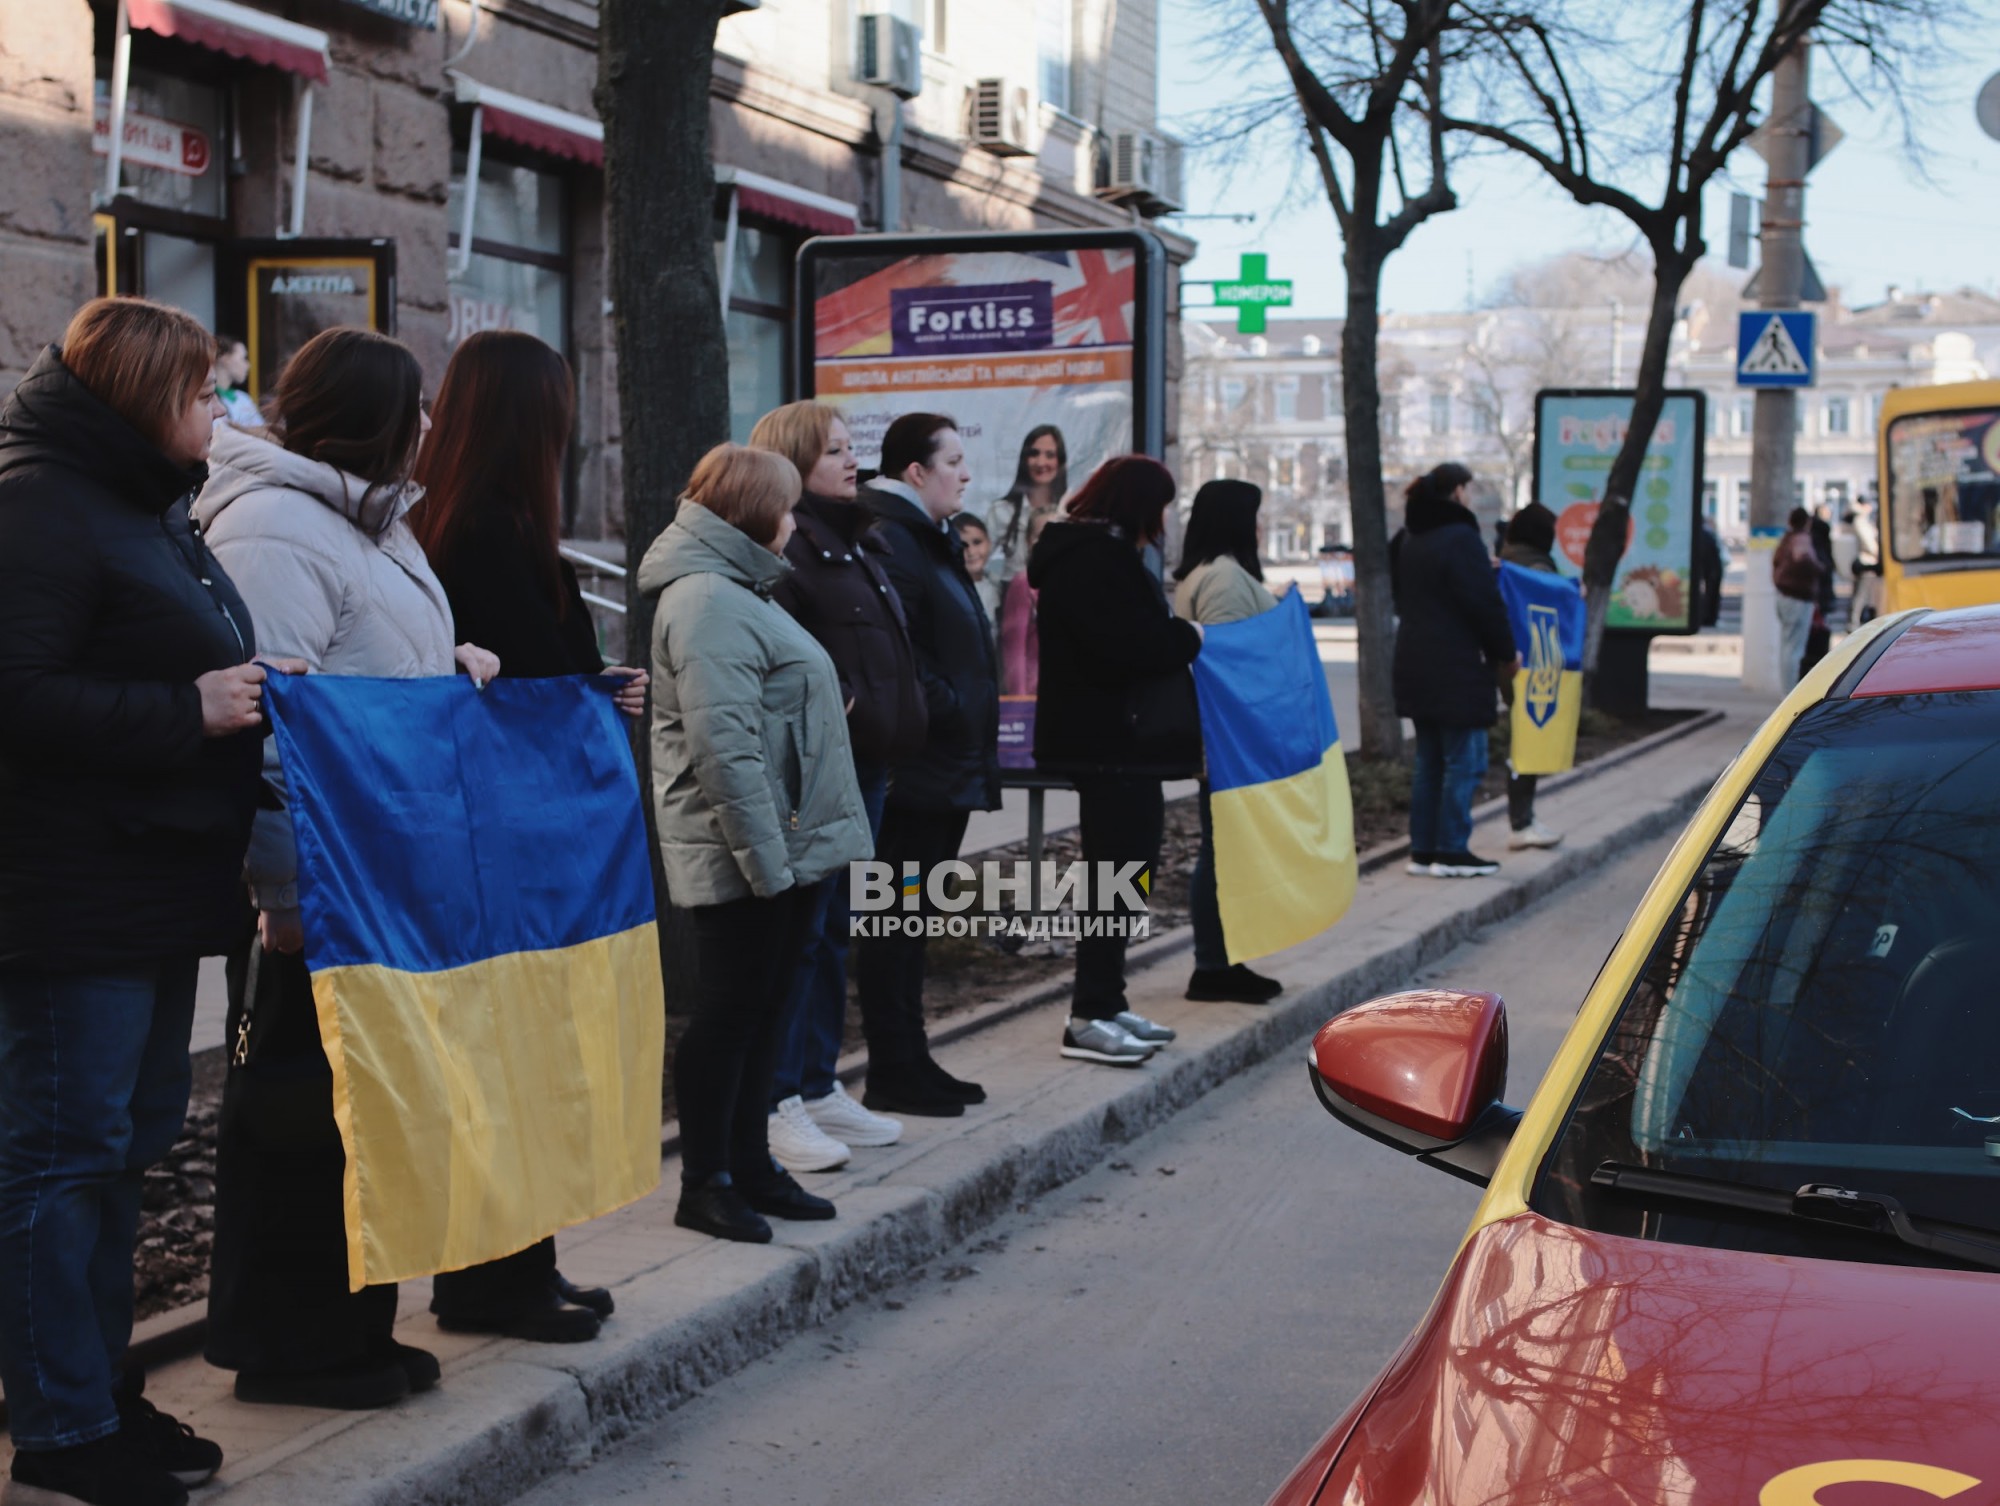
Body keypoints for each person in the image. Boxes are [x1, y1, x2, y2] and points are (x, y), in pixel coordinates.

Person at [0, 299, 279, 1506]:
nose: (222, 412)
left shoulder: (142, 502)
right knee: (64, 1159)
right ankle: (61, 1428)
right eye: (205, 392)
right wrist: (193, 712)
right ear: (142, 396)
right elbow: (17, 696)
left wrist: (258, 691)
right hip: (73, 894)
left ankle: (100, 1390)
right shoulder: (38, 504)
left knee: (123, 1151)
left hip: (158, 884)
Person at [195, 328, 499, 1411]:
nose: (427, 428)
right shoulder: (276, 527)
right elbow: (274, 725)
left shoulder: (372, 521)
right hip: (320, 890)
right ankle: (291, 1347)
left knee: (365, 1115)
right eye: (413, 408)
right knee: (299, 1124)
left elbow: (368, 672)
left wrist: (449, 668)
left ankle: (350, 1329)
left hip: (381, 878)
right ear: (367, 414)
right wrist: (283, 893)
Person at [410, 329, 649, 1342]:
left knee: (524, 1050)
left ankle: (520, 1267)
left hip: (510, 834)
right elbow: (519, 681)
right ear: (528, 420)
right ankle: (492, 1281)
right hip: (507, 841)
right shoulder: (486, 533)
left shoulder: (478, 521)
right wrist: (585, 688)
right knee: (512, 1052)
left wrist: (593, 687)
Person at [639, 444, 873, 1244]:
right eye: (787, 505)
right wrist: (768, 863)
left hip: (782, 844)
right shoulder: (707, 598)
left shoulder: (744, 589)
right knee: (729, 1016)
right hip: (747, 851)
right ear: (754, 512)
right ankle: (705, 1181)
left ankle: (751, 1165)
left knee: (766, 1007)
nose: (796, 519)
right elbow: (725, 749)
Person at [747, 401, 925, 1174]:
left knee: (836, 932)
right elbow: (780, 658)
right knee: (805, 937)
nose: (854, 462)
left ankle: (817, 1084)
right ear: (792, 462)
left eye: (854, 449)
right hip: (819, 769)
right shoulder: (787, 547)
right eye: (836, 451)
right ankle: (777, 1097)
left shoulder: (855, 541)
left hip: (868, 768)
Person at [1032, 456, 1204, 1066]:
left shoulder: (1094, 554)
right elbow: (1132, 647)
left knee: (1126, 875)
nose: (1163, 521)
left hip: (1117, 745)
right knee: (1114, 877)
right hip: (1107, 744)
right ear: (1139, 505)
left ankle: (1106, 1002)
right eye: (1160, 507)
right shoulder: (1093, 559)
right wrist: (1189, 636)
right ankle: (1088, 1016)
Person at [856, 414, 1000, 1117]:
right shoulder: (893, 537)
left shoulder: (925, 536)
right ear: (916, 471)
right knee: (894, 924)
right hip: (916, 766)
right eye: (954, 461)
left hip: (942, 764)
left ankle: (911, 1059)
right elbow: (902, 653)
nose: (965, 474)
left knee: (913, 924)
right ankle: (891, 1067)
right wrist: (950, 709)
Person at [1170, 479, 1285, 1006]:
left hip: (1228, 738)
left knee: (1225, 849)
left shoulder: (1211, 573)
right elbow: (1229, 665)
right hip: (1231, 739)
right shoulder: (1224, 578)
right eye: (1255, 515)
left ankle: (1222, 961)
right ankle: (1214, 965)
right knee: (1222, 851)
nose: (1260, 527)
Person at [1390, 463, 1517, 880]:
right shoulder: (1461, 539)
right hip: (1455, 665)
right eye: (1468, 488)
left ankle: (1423, 850)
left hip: (1414, 661)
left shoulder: (1407, 538)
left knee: (1429, 761)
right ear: (1458, 492)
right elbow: (1483, 604)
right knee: (1466, 761)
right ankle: (1451, 849)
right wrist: (1505, 651)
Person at [1496, 501, 1564, 852]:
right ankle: (1521, 822)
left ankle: (1523, 819)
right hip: (1531, 666)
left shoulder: (1507, 560)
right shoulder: (1534, 567)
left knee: (1523, 739)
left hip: (1511, 664)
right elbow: (1555, 604)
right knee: (1527, 741)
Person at [985, 425, 1066, 599]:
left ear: (1060, 461)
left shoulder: (1070, 513)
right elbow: (977, 560)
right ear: (1024, 459)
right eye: (1034, 453)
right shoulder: (1001, 511)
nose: (1041, 462)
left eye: (1050, 455)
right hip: (1014, 605)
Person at [998, 509, 1053, 699]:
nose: (1050, 540)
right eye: (1040, 535)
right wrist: (1019, 699)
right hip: (1033, 695)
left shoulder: (1072, 583)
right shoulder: (1024, 582)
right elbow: (1014, 647)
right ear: (1029, 541)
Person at [1771, 506, 1823, 689]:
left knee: (1787, 645)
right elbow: (1803, 560)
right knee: (1795, 648)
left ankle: (1785, 687)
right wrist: (1818, 568)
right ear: (1807, 522)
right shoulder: (1802, 539)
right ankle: (1790, 690)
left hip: (1784, 595)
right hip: (1799, 597)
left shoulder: (1786, 539)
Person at [1801, 512, 1838, 674]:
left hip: (1815, 598)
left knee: (1807, 638)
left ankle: (1807, 669)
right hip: (1819, 599)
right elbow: (1824, 572)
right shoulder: (1822, 545)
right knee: (1815, 635)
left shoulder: (1812, 544)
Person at [953, 512, 1002, 627]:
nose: (971, 552)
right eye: (963, 546)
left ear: (989, 543)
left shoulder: (998, 586)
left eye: (977, 542)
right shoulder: (951, 591)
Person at [213, 333, 262, 428]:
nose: (248, 365)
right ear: (225, 358)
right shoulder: (206, 398)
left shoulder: (243, 398)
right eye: (243, 358)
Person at [1694, 514, 1724, 629]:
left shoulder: (1698, 535)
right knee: (1711, 595)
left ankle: (1706, 617)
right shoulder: (1707, 535)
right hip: (1712, 570)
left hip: (1708, 570)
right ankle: (1709, 618)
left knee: (1706, 594)